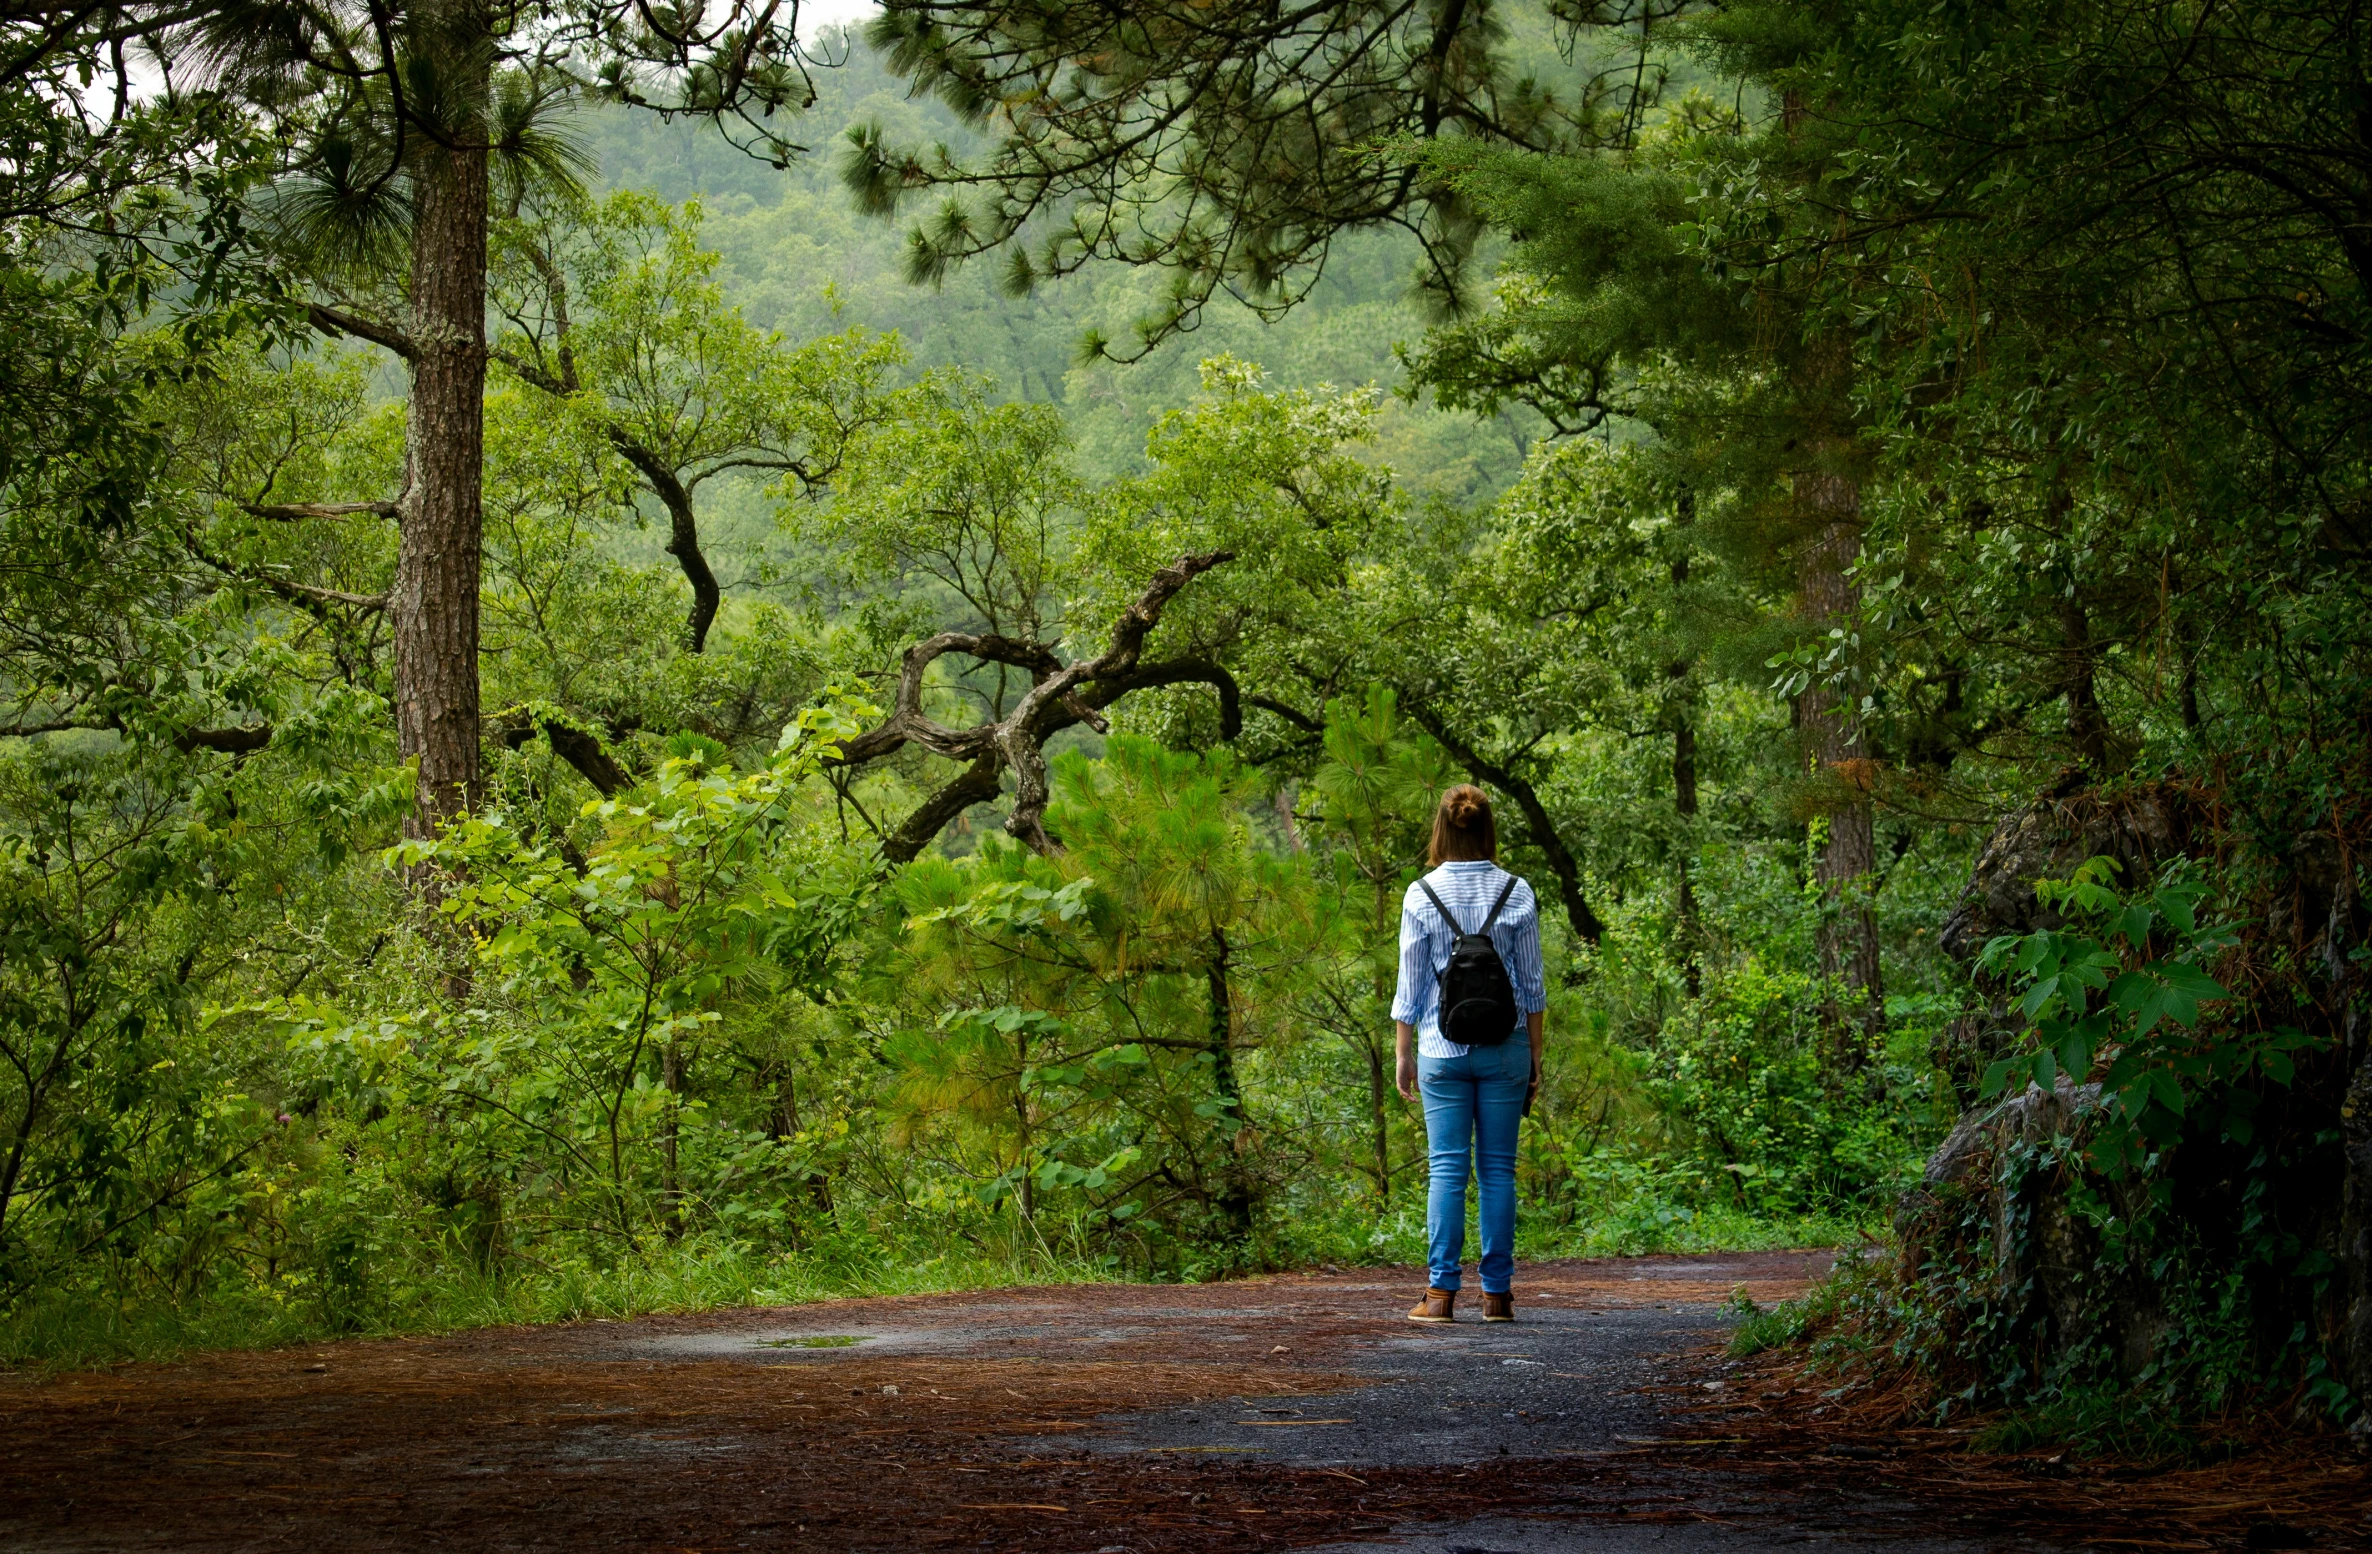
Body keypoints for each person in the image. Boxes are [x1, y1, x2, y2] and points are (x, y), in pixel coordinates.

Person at [1391, 784, 1547, 1324]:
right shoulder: (1518, 892)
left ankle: (1439, 1297)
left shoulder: (1420, 894)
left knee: (1447, 1170)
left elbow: (1410, 986)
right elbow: (1531, 986)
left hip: (1441, 1049)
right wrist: (1535, 1054)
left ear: (1441, 829)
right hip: (1506, 1049)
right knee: (1498, 1171)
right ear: (1486, 828)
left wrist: (1404, 1053)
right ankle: (1497, 1296)